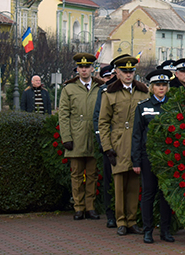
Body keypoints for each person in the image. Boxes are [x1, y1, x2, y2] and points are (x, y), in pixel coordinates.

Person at [98, 56, 148, 236]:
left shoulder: (143, 92)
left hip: (136, 144)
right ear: (117, 73)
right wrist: (107, 147)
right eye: (125, 71)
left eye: (131, 71)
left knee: (134, 184)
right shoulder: (109, 93)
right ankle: (121, 221)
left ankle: (132, 220)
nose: (128, 75)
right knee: (119, 184)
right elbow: (103, 122)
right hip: (118, 143)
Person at [131, 69, 174, 244]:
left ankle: (165, 231)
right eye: (158, 85)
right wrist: (136, 161)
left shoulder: (173, 106)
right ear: (151, 87)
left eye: (164, 85)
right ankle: (148, 231)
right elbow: (137, 135)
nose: (161, 88)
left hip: (168, 160)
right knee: (148, 194)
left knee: (166, 196)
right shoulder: (143, 107)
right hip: (148, 158)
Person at [58, 53, 103, 221]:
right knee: (76, 175)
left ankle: (90, 207)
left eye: (87, 67)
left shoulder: (100, 88)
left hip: (93, 136)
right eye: (81, 67)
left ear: (92, 69)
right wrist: (66, 138)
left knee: (92, 174)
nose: (84, 70)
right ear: (77, 69)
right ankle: (78, 207)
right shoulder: (69, 89)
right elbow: (63, 115)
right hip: (76, 137)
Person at [93, 61, 118, 228]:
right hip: (110, 145)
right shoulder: (104, 91)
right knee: (109, 181)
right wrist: (104, 144)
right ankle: (110, 214)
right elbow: (98, 119)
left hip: (127, 144)